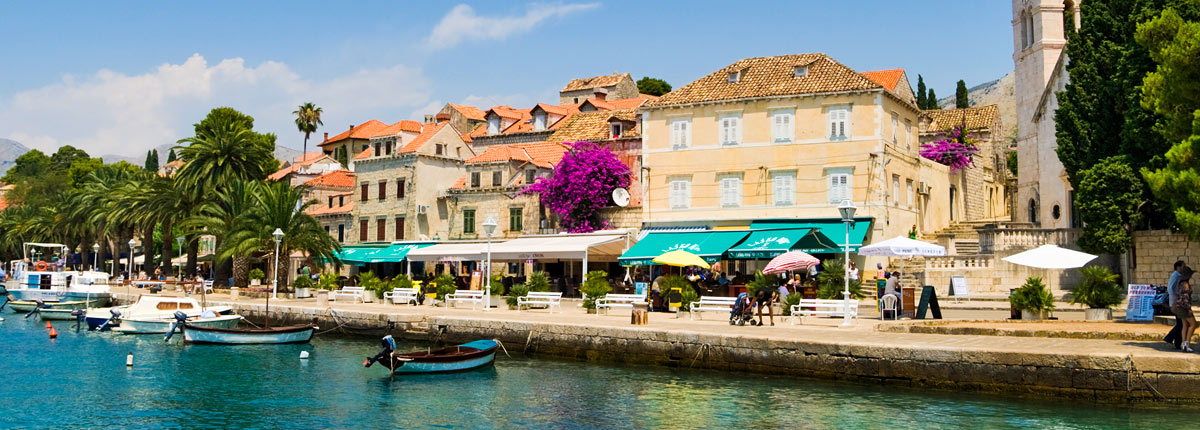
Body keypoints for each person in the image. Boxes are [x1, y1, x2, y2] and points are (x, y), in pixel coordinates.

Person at [1174, 265, 1196, 352]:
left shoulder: (1181, 283)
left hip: (1180, 307)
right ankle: (1187, 344)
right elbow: (1185, 298)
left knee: (1185, 325)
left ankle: (1183, 343)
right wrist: (1189, 309)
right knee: (1193, 324)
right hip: (1184, 307)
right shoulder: (1185, 284)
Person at [1165, 260, 1186, 349]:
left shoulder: (1179, 276)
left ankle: (1177, 343)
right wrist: (1175, 300)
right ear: (1178, 267)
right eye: (1182, 266)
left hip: (1178, 302)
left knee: (1180, 322)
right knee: (1181, 323)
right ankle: (1169, 337)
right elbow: (1170, 289)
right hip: (1176, 303)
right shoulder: (1175, 276)